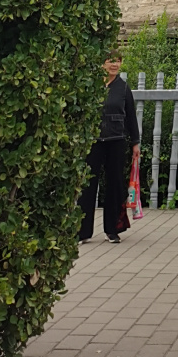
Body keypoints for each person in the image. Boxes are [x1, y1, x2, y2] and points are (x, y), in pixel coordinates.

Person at [78, 51, 141, 245]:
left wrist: (135, 143)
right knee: (88, 186)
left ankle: (112, 230)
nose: (114, 65)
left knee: (114, 185)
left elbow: (131, 116)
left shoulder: (123, 88)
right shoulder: (92, 85)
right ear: (103, 63)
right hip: (93, 141)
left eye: (118, 61)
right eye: (110, 61)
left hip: (116, 140)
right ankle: (82, 232)